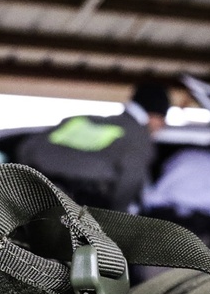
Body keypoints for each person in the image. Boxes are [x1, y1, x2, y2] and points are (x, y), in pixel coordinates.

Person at [14, 82, 170, 211]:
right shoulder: (138, 138)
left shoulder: (83, 121)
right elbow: (128, 184)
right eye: (162, 121)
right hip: (79, 207)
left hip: (33, 197)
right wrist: (116, 221)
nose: (161, 128)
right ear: (155, 116)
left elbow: (27, 148)